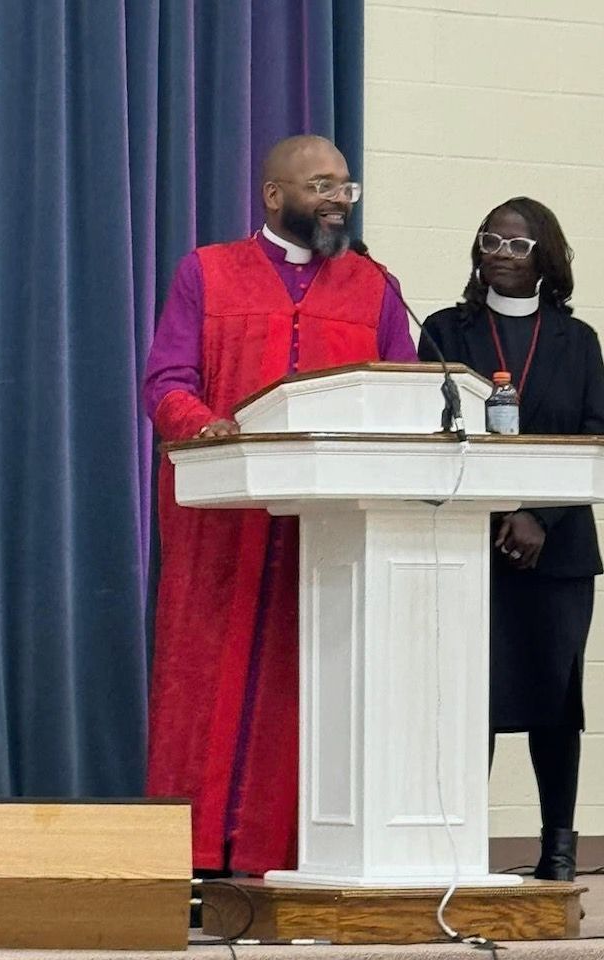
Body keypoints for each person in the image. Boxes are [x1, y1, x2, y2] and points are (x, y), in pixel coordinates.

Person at [143, 134, 417, 875]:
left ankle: (288, 856)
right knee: (202, 682)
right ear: (273, 195)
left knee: (306, 687)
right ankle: (196, 861)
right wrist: (208, 429)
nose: (337, 200)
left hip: (327, 533)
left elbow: (410, 394)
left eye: (345, 187)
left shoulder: (375, 287)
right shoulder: (207, 272)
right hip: (221, 528)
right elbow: (166, 382)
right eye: (321, 185)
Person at [419, 197, 604, 881]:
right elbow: (432, 433)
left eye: (517, 244)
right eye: (490, 238)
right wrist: (500, 515)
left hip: (560, 552)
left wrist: (537, 516)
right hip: (472, 544)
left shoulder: (577, 340)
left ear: (545, 258)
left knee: (557, 697)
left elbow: (592, 434)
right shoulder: (444, 330)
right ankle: (463, 846)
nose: (498, 249)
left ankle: (558, 849)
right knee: (476, 694)